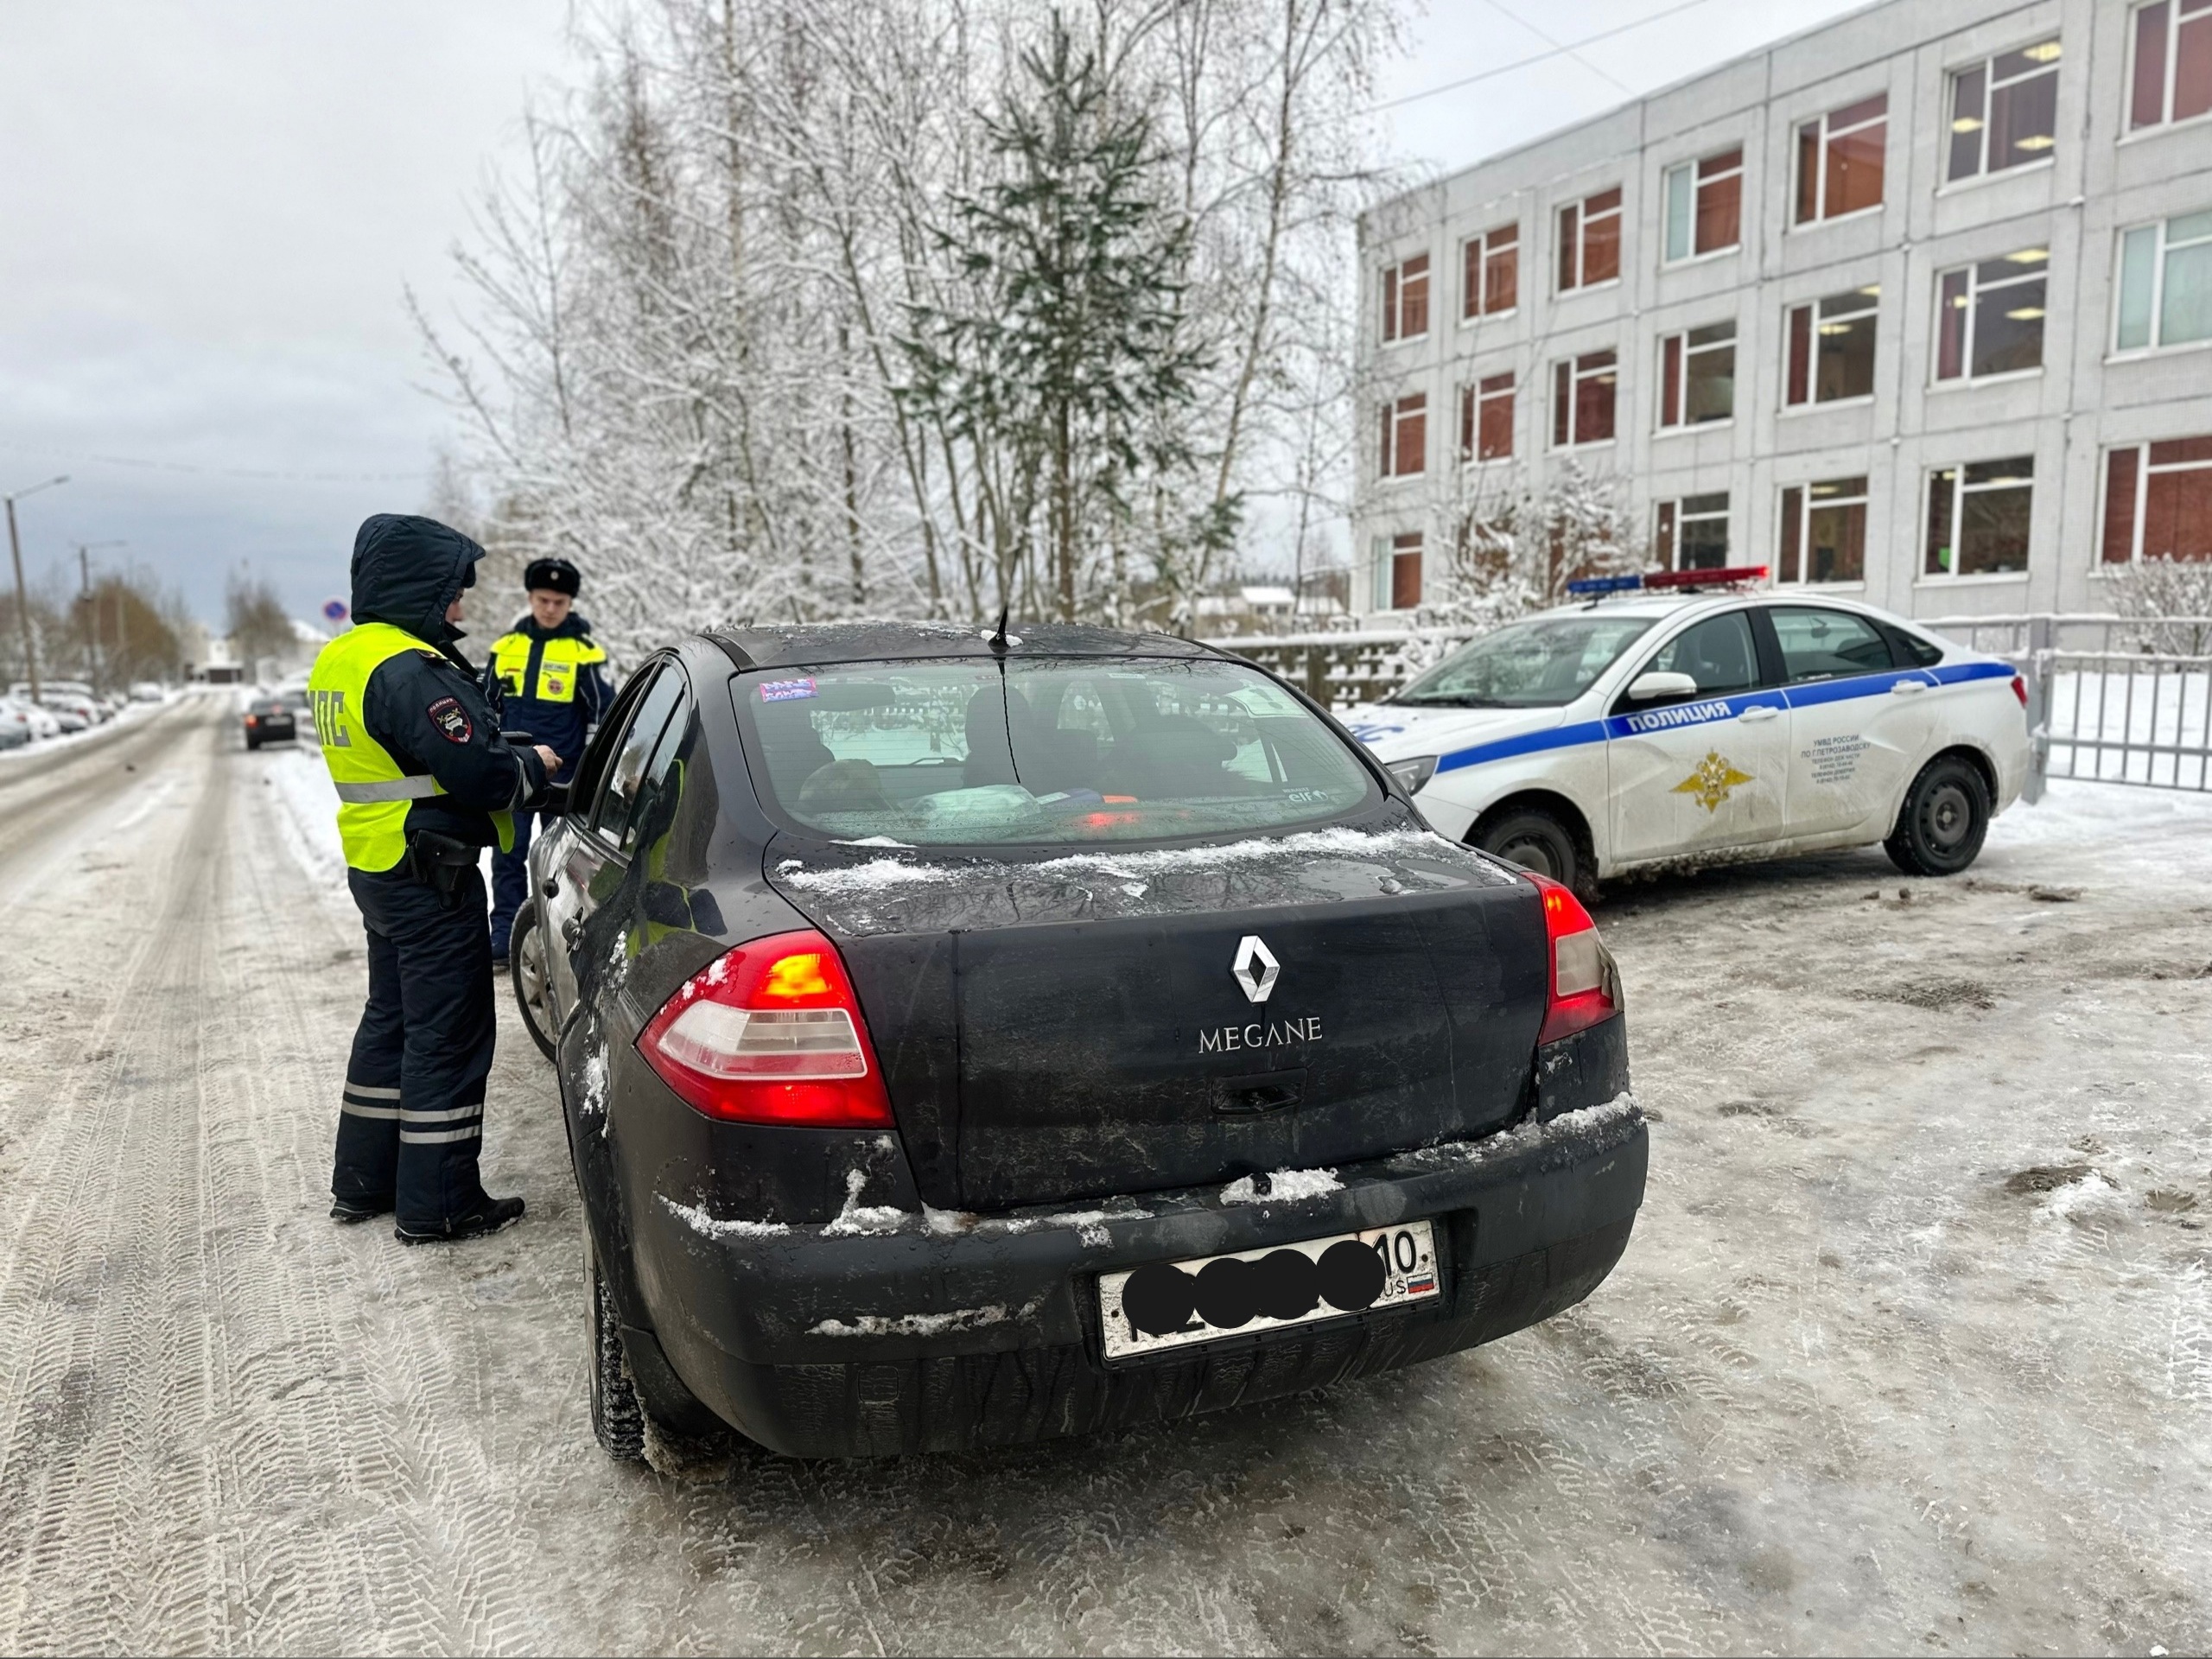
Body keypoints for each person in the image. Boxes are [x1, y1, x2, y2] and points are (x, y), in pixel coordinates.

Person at [307, 514, 560, 1243]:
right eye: (453, 592)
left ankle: (365, 1181)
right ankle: (440, 1202)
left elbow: (406, 760)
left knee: (390, 1022)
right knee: (447, 1032)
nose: (459, 607)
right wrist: (531, 768)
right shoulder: (410, 668)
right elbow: (475, 771)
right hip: (432, 872)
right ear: (421, 587)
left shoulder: (344, 659)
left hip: (379, 865)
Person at [481, 556, 610, 963]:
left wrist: (595, 768)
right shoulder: (505, 649)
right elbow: (484, 708)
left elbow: (603, 713)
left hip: (563, 781)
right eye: (542, 599)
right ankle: (503, 936)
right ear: (530, 598)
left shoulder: (585, 652)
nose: (550, 608)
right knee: (507, 857)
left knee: (563, 865)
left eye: (558, 601)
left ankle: (562, 943)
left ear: (570, 603)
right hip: (513, 775)